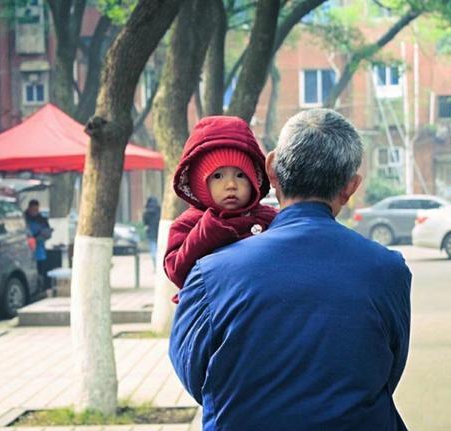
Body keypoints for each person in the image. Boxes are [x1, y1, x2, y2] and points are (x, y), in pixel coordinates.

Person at [169, 109, 412, 431]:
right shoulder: (388, 269)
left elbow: (195, 374)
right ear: (350, 186)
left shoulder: (210, 272)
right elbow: (387, 368)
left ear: (271, 171)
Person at [164, 115, 278, 296]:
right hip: (211, 311)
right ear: (199, 182)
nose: (231, 185)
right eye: (218, 176)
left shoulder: (271, 219)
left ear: (254, 180)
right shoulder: (188, 224)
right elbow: (176, 271)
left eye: (240, 175)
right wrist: (207, 232)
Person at [24, 199, 52, 282]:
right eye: (33, 209)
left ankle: (40, 284)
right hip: (26, 252)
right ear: (29, 208)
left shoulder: (42, 220)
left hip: (39, 251)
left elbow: (48, 233)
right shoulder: (23, 219)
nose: (34, 212)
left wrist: (42, 235)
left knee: (40, 272)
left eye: (36, 210)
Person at [142, 196, 161, 270]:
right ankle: (159, 267)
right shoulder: (159, 210)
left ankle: (155, 266)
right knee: (159, 250)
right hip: (158, 232)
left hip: (151, 233)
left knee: (153, 250)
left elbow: (145, 223)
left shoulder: (146, 211)